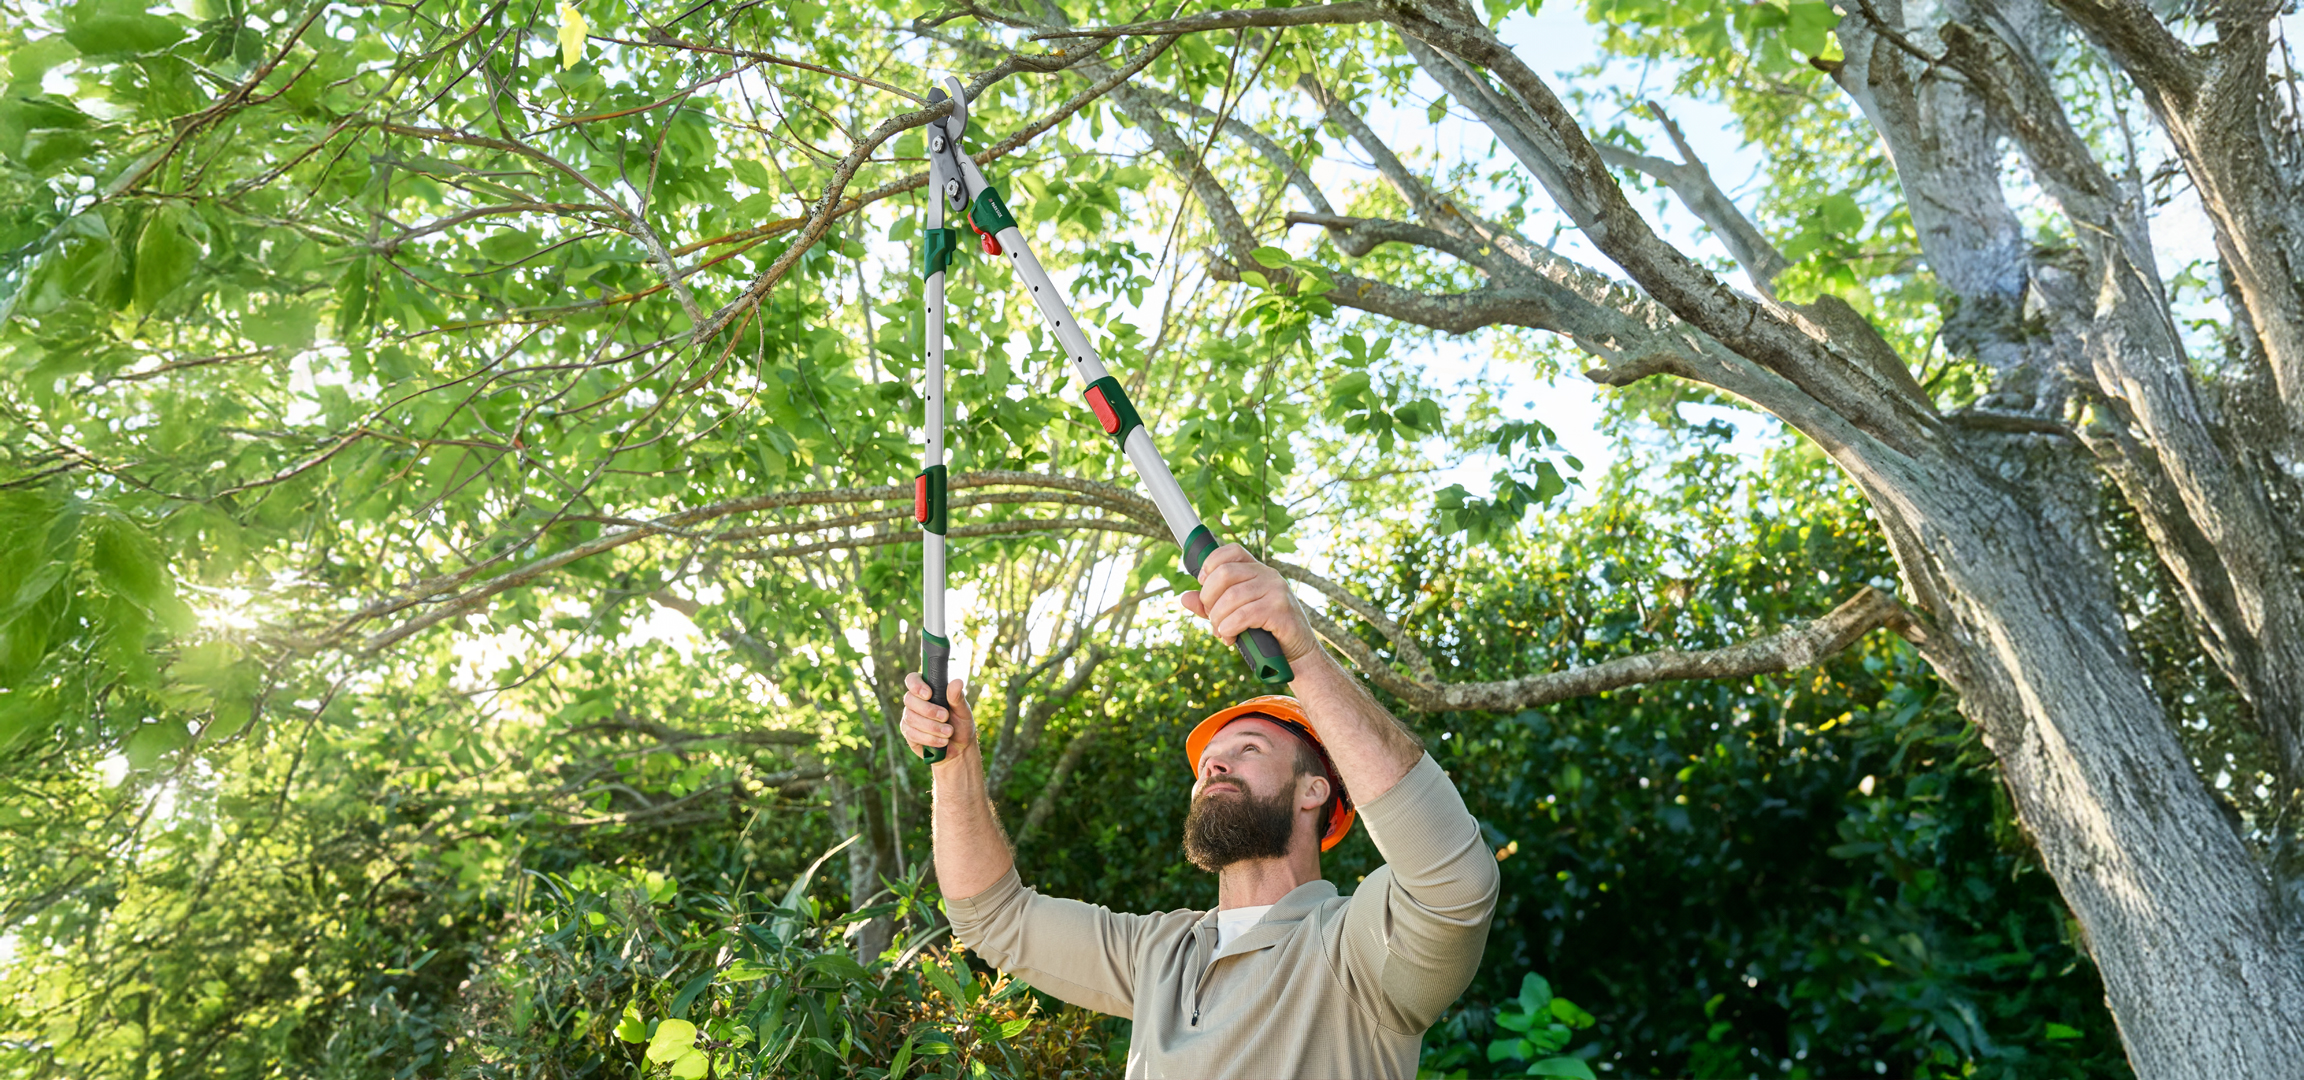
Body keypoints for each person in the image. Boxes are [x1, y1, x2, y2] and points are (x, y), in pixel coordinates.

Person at [902, 544, 1500, 1078]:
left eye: (1249, 750)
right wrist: (956, 764)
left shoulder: (1358, 950)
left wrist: (1304, 655)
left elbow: (1453, 880)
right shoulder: (1159, 953)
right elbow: (992, 919)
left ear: (1313, 791)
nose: (1214, 765)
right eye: (1207, 762)